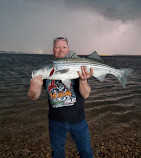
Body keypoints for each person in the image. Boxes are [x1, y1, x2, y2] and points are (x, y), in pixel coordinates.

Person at [28, 37, 94, 158]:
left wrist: (83, 80)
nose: (61, 50)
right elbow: (33, 96)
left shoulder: (79, 67)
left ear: (68, 50)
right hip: (55, 122)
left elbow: (86, 94)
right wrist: (33, 86)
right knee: (57, 154)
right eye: (57, 47)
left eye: (64, 47)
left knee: (86, 153)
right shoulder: (46, 71)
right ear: (53, 51)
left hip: (78, 121)